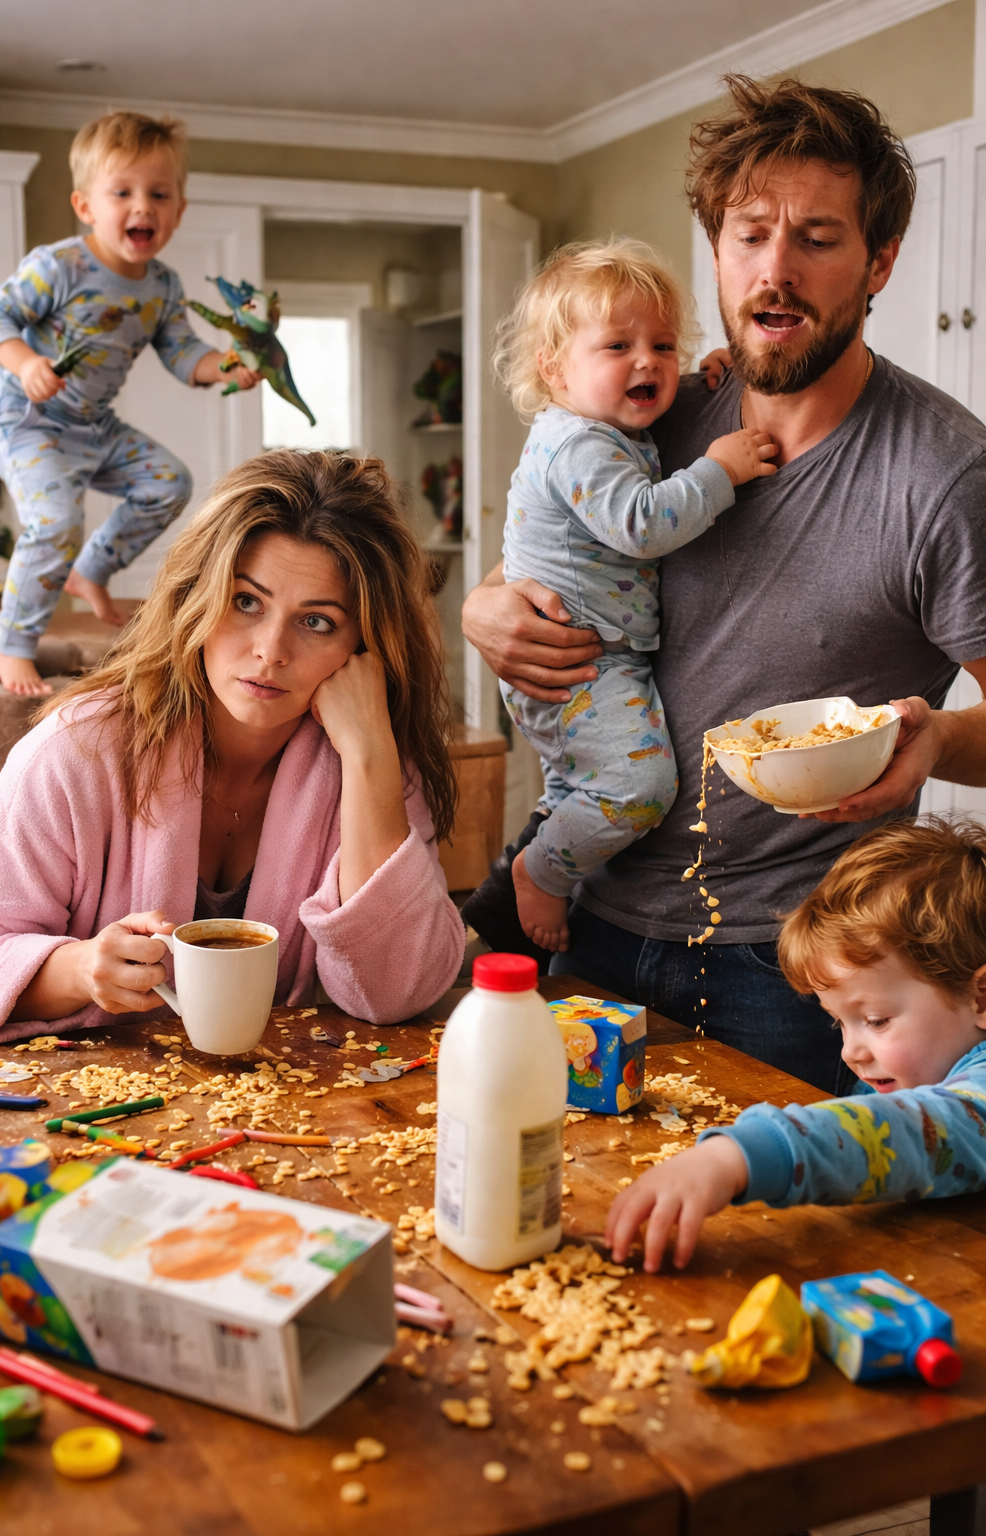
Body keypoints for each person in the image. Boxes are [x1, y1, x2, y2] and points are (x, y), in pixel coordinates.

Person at [462, 75, 986, 1095]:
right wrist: (487, 605)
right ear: (715, 248)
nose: (773, 272)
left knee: (770, 1244)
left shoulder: (944, 475)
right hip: (590, 917)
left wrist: (937, 737)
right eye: (748, 235)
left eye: (818, 239)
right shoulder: (654, 408)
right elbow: (553, 540)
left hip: (799, 969)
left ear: (879, 261)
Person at [0, 449, 465, 1042]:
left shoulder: (373, 768)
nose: (271, 650)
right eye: (246, 601)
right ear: (195, 599)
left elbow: (398, 991)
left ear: (365, 647)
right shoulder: (78, 750)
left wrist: (369, 756)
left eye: (318, 621)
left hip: (283, 1110)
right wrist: (76, 970)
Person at [489, 239, 776, 955]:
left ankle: (551, 855)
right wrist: (720, 469)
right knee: (639, 789)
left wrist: (709, 379)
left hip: (595, 655)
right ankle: (541, 870)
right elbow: (640, 524)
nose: (648, 361)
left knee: (576, 785)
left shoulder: (608, 427)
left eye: (665, 345)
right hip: (585, 662)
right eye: (618, 345)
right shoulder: (578, 444)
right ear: (553, 369)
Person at [606, 817, 986, 1269]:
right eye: (839, 1024)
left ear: (980, 997)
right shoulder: (905, 1067)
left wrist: (738, 1157)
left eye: (877, 1020)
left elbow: (910, 1132)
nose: (851, 1052)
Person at [0, 110, 263, 698]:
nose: (144, 207)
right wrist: (25, 364)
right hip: (27, 418)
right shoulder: (59, 266)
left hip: (92, 426)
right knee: (55, 521)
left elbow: (185, 356)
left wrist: (227, 368)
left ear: (179, 211)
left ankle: (92, 570)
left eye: (160, 194)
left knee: (169, 482)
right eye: (123, 193)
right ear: (86, 206)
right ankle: (12, 646)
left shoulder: (162, 287)